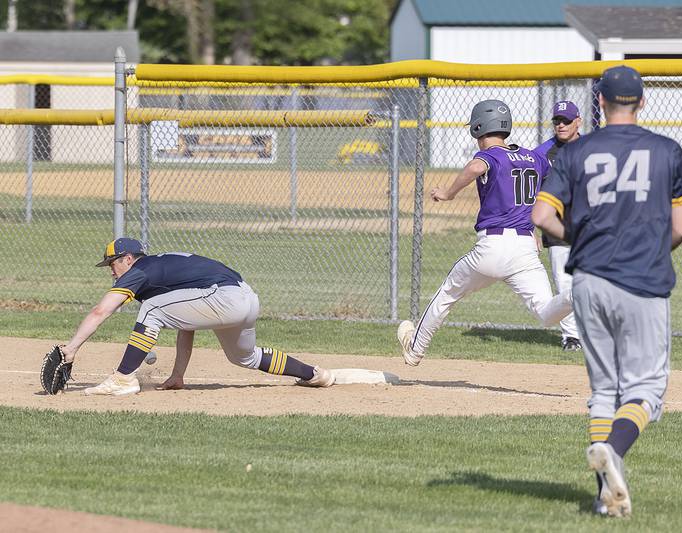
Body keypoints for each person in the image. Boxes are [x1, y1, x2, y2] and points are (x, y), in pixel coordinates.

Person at [532, 66, 682, 517]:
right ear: (642, 102)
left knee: (603, 389)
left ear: (600, 103)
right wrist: (646, 249)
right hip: (642, 280)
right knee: (646, 390)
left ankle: (604, 498)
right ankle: (614, 454)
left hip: (587, 279)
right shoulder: (667, 151)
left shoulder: (576, 152)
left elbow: (542, 219)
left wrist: (582, 238)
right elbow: (681, 228)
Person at [396, 99, 573, 366]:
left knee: (447, 293)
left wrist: (447, 193)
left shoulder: (489, 155)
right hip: (525, 249)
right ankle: (577, 295)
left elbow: (477, 167)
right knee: (546, 313)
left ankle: (415, 349)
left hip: (492, 247)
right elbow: (545, 180)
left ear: (478, 127)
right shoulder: (533, 157)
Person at [60, 238, 334, 395]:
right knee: (244, 357)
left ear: (129, 258)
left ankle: (122, 378)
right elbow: (186, 323)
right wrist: (178, 375)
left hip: (225, 297)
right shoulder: (161, 268)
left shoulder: (140, 270)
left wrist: (71, 349)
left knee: (151, 310)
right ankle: (314, 374)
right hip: (246, 297)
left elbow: (101, 310)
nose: (111, 270)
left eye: (113, 262)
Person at [534, 100, 583, 352]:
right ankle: (572, 337)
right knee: (565, 285)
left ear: (578, 121)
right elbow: (532, 194)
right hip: (557, 228)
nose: (561, 125)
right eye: (557, 121)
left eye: (565, 120)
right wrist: (531, 228)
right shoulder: (542, 153)